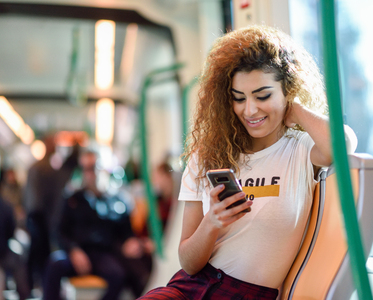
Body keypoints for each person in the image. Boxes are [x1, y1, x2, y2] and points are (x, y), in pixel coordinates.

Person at [139, 25, 356, 300]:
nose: (249, 110)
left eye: (263, 96)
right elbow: (189, 262)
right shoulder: (206, 156)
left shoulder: (300, 151)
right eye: (238, 98)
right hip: (190, 287)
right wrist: (212, 223)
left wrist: (296, 109)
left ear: (287, 90)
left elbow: (345, 144)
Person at [42, 150, 152, 300]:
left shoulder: (116, 199)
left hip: (103, 253)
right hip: (77, 252)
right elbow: (59, 231)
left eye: (93, 167)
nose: (90, 173)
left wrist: (131, 242)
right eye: (85, 168)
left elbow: (126, 231)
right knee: (54, 264)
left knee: (118, 275)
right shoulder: (72, 199)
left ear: (102, 168)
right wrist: (73, 250)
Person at [23, 134, 79, 289]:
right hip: (39, 217)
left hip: (36, 216)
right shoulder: (44, 168)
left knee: (37, 252)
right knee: (39, 252)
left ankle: (32, 285)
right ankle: (35, 285)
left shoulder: (40, 167)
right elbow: (40, 198)